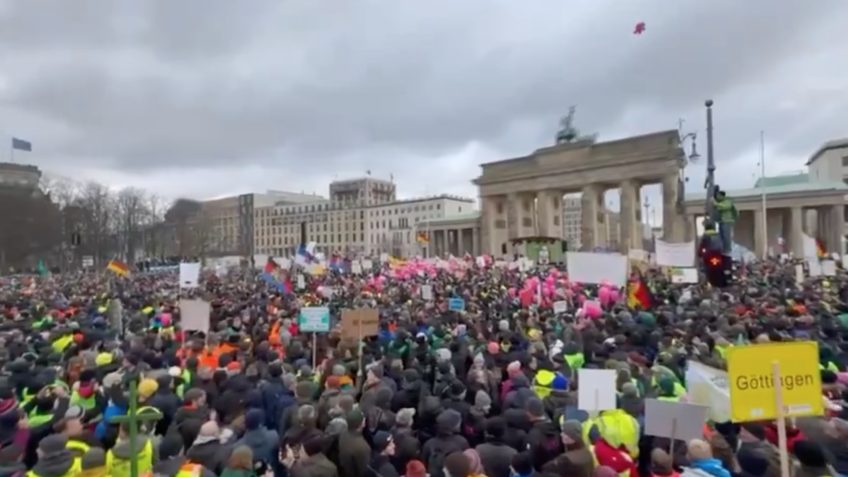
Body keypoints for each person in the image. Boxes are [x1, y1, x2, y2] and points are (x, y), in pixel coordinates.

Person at [712, 189, 737, 254]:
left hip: (727, 221)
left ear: (722, 195)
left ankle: (727, 250)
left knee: (726, 236)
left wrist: (716, 203)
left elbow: (726, 207)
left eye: (718, 195)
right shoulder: (720, 202)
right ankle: (724, 250)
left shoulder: (728, 201)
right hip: (722, 221)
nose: (717, 197)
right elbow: (717, 210)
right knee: (722, 236)